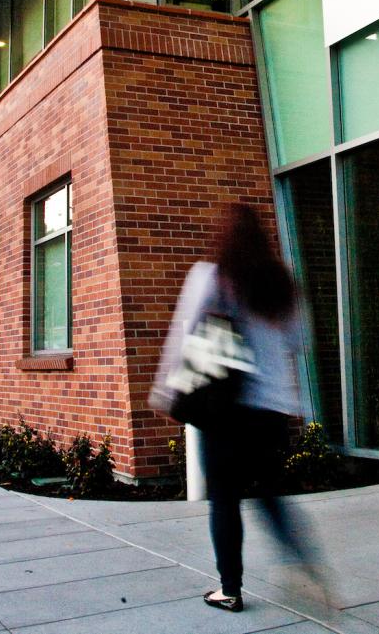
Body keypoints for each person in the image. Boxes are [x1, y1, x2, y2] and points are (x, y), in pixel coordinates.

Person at [152, 203, 319, 613]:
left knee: (224, 500)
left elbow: (184, 333)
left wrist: (165, 392)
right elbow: (301, 342)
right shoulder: (283, 283)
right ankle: (302, 566)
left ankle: (230, 589)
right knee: (269, 493)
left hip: (225, 409)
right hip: (273, 411)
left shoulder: (210, 276)